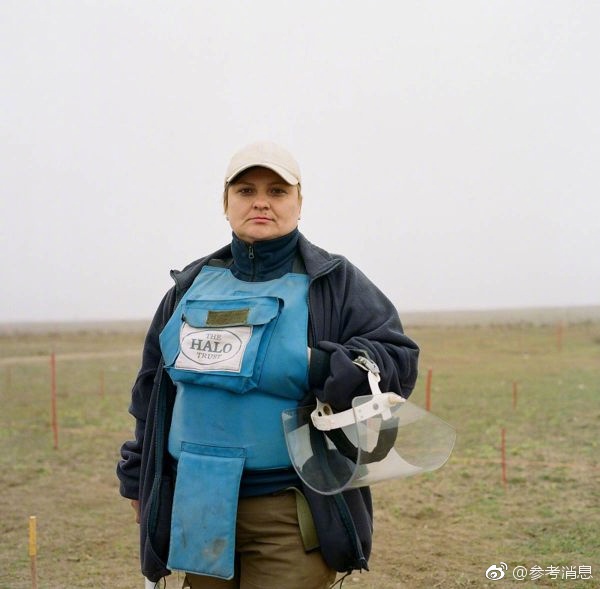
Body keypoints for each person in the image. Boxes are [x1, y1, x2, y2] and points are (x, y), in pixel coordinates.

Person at [117, 141, 420, 589]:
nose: (261, 201)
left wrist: (322, 367)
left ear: (299, 203)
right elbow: (152, 393)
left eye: (278, 191)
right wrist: (139, 479)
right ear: (226, 204)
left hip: (288, 511)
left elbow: (398, 357)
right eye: (245, 190)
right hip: (197, 503)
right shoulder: (190, 286)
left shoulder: (333, 281)